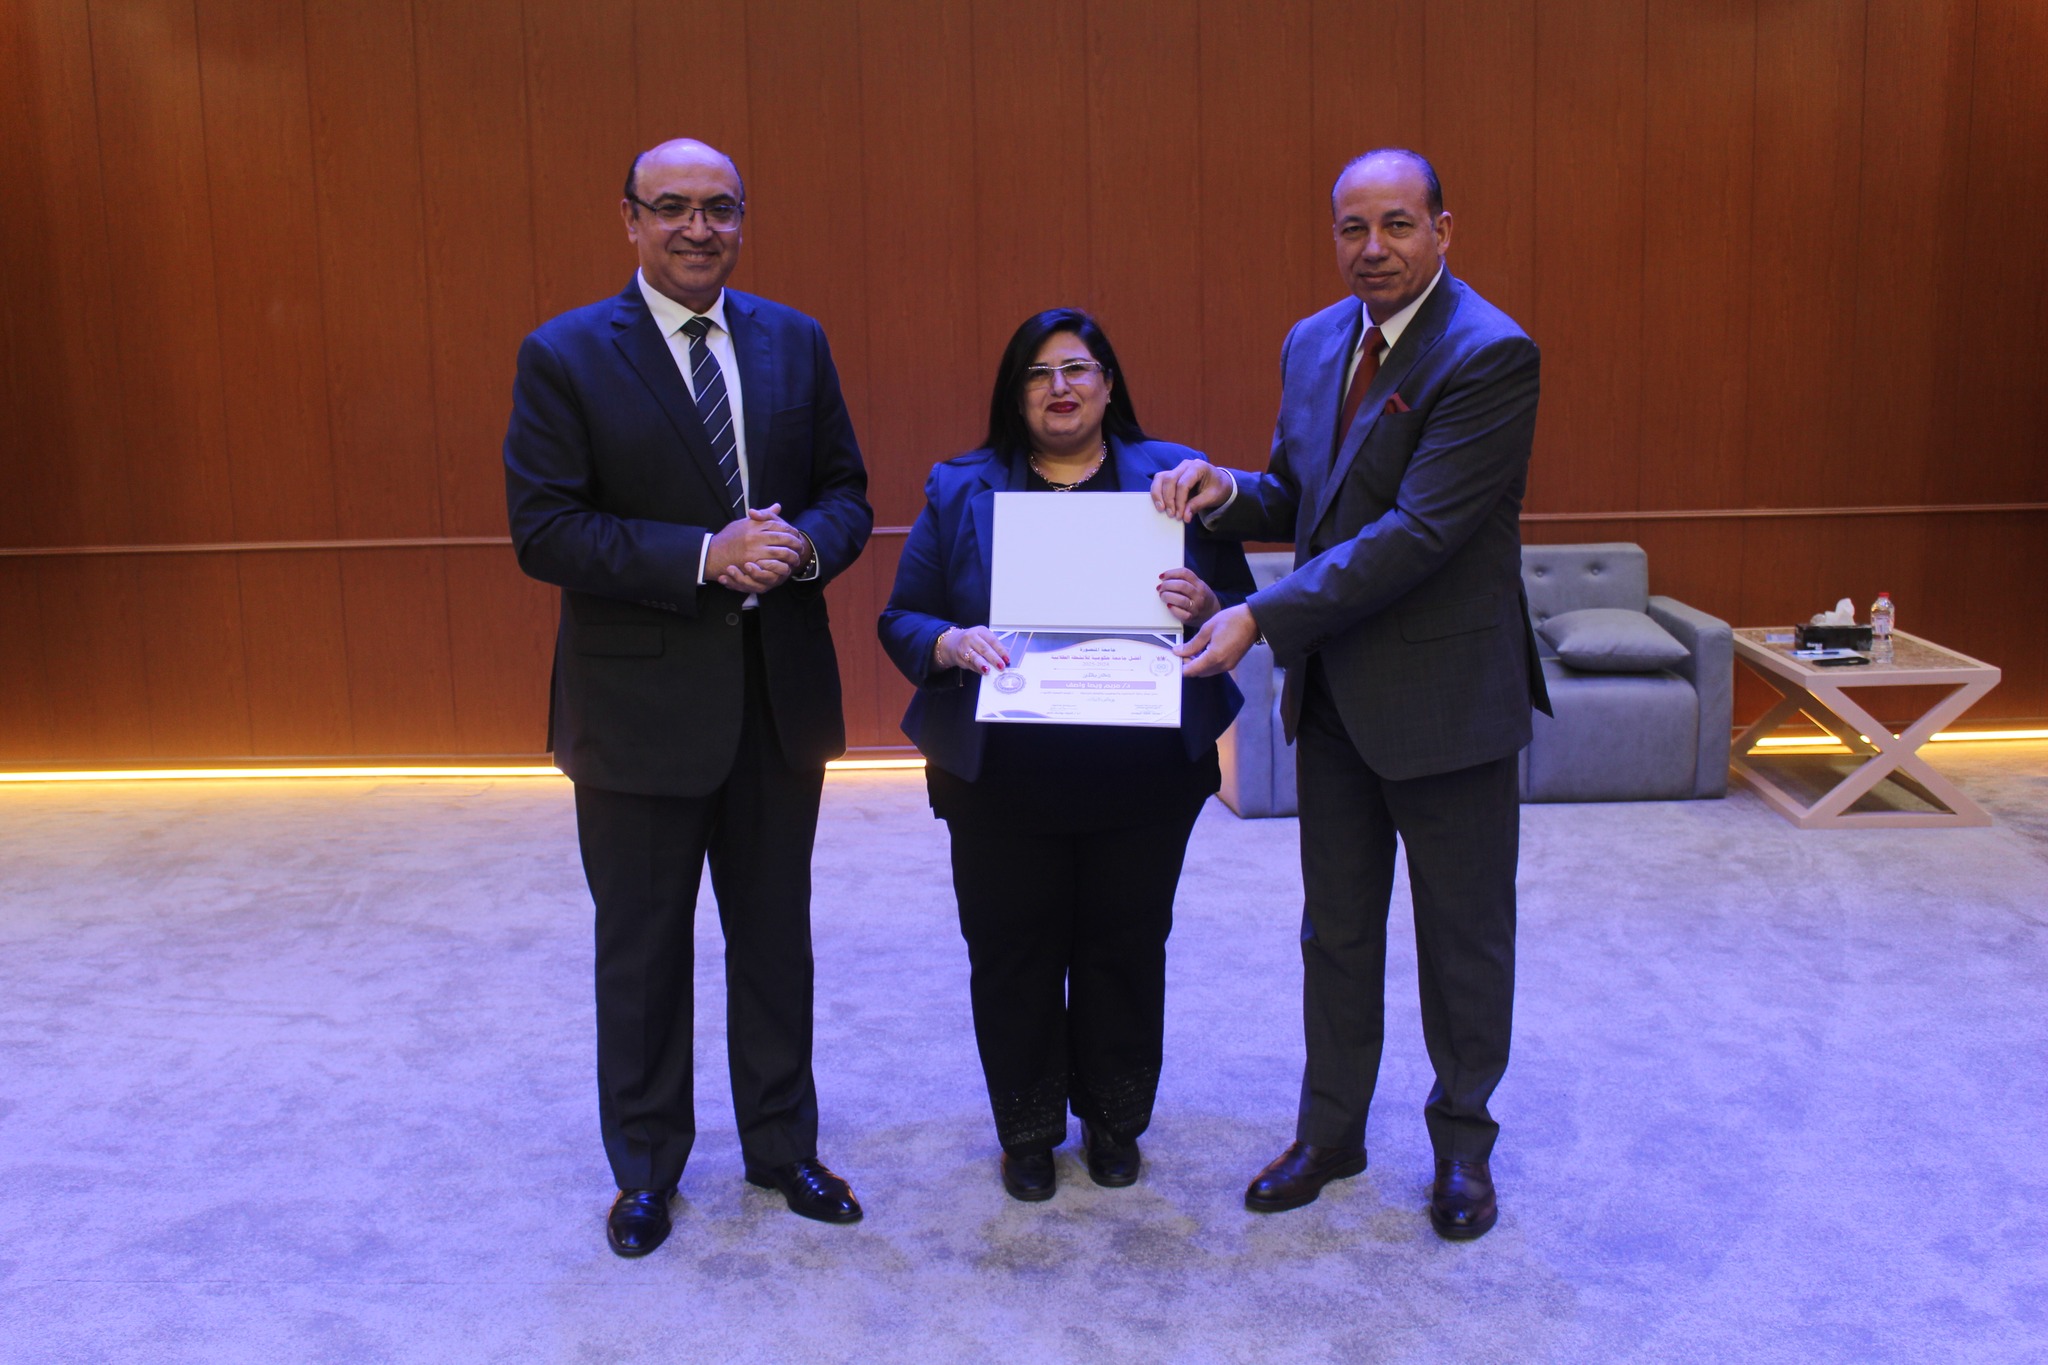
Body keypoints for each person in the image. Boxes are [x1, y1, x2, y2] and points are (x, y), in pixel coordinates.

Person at [1153, 149, 1548, 1240]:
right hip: (1334, 698)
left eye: (1396, 225)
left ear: (1441, 230)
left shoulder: (1490, 351)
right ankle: (1330, 1133)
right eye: (1351, 228)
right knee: (1334, 932)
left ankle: (1462, 1145)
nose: (1372, 249)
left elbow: (1417, 531)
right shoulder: (1315, 340)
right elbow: (1305, 495)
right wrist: (1225, 491)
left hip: (1448, 699)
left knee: (1462, 938)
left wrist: (1259, 615)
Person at [504, 138, 873, 1256]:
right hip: (637, 715)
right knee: (644, 953)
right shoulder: (565, 353)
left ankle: (783, 1147)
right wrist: (705, 556)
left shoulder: (795, 340)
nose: (697, 228)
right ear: (629, 219)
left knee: (775, 944)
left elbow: (846, 492)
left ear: (743, 219)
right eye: (671, 207)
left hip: (775, 702)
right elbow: (546, 530)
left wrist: (801, 548)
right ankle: (646, 1170)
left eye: (720, 208)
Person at [879, 309, 1253, 1202]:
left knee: (1127, 945)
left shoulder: (1176, 478)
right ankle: (1029, 1130)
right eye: (1039, 373)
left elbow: (1236, 603)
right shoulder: (960, 486)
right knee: (1013, 952)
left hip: (1145, 773)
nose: (1060, 388)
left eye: (1077, 369)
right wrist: (949, 642)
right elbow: (903, 616)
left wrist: (1205, 601)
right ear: (1016, 394)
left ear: (1109, 384)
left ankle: (1115, 1120)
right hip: (1003, 776)